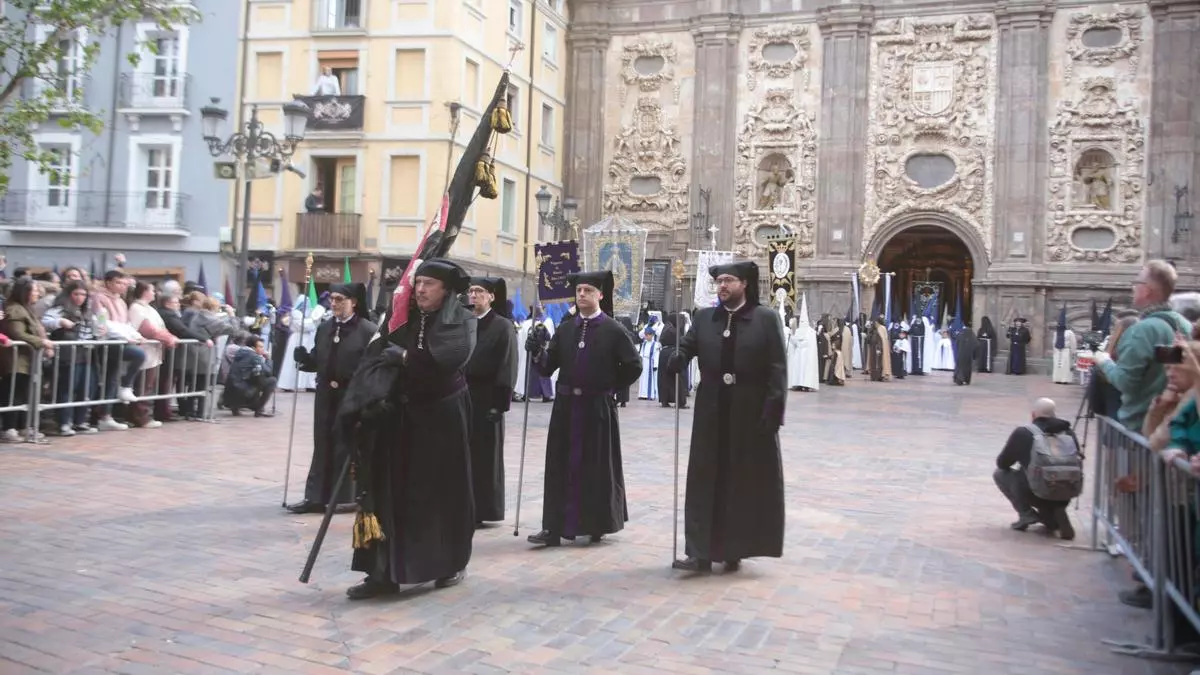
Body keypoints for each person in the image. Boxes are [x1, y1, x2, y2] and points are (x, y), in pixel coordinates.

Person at [343, 258, 476, 598]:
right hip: (400, 417)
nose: (420, 289)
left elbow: (447, 360)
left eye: (429, 284)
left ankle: (447, 563)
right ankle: (383, 573)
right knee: (388, 493)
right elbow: (379, 349)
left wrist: (403, 359)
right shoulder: (405, 315)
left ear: (446, 290)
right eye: (418, 283)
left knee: (438, 495)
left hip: (441, 420)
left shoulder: (462, 320)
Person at [666, 261, 785, 572]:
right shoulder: (704, 318)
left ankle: (735, 548)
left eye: (728, 280)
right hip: (710, 412)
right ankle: (699, 551)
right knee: (704, 479)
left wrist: (772, 415)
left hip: (749, 414)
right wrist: (676, 358)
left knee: (740, 482)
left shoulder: (765, 319)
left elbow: (777, 371)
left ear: (744, 283)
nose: (722, 286)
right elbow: (688, 348)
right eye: (718, 281)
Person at [525, 271, 642, 548]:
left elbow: (634, 366)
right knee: (558, 465)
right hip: (566, 408)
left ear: (600, 295)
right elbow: (546, 366)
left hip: (597, 408)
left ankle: (595, 523)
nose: (582, 295)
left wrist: (611, 388)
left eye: (588, 290)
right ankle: (552, 527)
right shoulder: (566, 328)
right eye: (578, 291)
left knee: (595, 466)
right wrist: (536, 351)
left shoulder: (614, 329)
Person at [286, 282, 377, 514]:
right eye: (332, 299)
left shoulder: (367, 330)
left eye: (340, 300)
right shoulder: (325, 327)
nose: (334, 304)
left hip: (352, 395)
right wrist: (306, 359)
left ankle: (344, 497)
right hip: (326, 394)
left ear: (354, 302)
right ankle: (315, 497)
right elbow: (319, 359)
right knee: (323, 442)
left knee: (344, 445)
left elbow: (373, 366)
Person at [1091, 260, 1193, 432]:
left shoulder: (1143, 330)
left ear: (1145, 290)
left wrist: (1104, 361)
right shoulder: (1183, 324)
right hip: (1172, 425)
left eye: (1136, 283)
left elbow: (1125, 381)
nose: (1133, 288)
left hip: (1141, 425)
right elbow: (1163, 365)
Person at [465, 277, 517, 526]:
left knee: (484, 457)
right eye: (471, 291)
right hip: (461, 396)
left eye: (479, 291)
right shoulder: (463, 322)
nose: (473, 296)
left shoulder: (502, 326)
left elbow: (507, 365)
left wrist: (500, 403)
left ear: (491, 297)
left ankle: (483, 509)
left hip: (487, 399)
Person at [993, 398, 1080, 540]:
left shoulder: (1024, 433)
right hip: (1066, 488)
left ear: (1033, 415)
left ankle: (1026, 514)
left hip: (1036, 489)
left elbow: (1002, 463)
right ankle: (1054, 514)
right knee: (1050, 512)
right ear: (1054, 414)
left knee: (1001, 474)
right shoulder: (1068, 433)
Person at [44, 280, 102, 435]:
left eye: (83, 294)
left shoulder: (88, 311)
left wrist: (101, 329)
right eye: (76, 294)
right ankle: (64, 422)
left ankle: (80, 421)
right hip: (68, 353)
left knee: (86, 388)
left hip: (87, 354)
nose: (80, 297)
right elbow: (45, 321)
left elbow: (98, 326)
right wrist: (60, 322)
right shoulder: (60, 308)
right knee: (67, 388)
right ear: (69, 294)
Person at [0, 278, 53, 441]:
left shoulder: (28, 309)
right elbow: (18, 333)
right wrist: (41, 342)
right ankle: (9, 428)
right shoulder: (15, 309)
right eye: (34, 290)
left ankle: (25, 426)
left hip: (29, 360)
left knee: (26, 394)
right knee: (13, 394)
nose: (37, 293)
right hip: (16, 360)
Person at [224, 335, 277, 416]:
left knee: (256, 377)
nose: (263, 349)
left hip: (230, 394)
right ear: (253, 347)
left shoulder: (240, 353)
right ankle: (259, 410)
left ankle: (235, 407)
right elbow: (268, 371)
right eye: (260, 347)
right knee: (272, 381)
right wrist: (268, 359)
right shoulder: (254, 356)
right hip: (243, 393)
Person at [657, 315, 689, 409]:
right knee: (678, 378)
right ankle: (680, 402)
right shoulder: (673, 331)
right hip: (673, 354)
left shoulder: (666, 328)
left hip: (664, 354)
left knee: (664, 378)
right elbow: (681, 341)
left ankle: (664, 400)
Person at [637, 312, 662, 401]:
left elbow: (656, 355)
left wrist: (655, 364)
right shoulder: (644, 343)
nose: (647, 336)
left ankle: (651, 394)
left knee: (651, 380)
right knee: (643, 379)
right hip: (644, 362)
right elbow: (641, 335)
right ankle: (642, 394)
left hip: (651, 363)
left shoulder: (656, 344)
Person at [1052, 314, 1077, 384]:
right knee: (1057, 365)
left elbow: (1073, 342)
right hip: (1057, 351)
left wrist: (1073, 351)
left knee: (1065, 366)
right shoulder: (1056, 333)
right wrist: (1054, 351)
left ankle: (1065, 380)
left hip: (1066, 350)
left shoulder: (1069, 332)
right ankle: (1057, 379)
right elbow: (1054, 342)